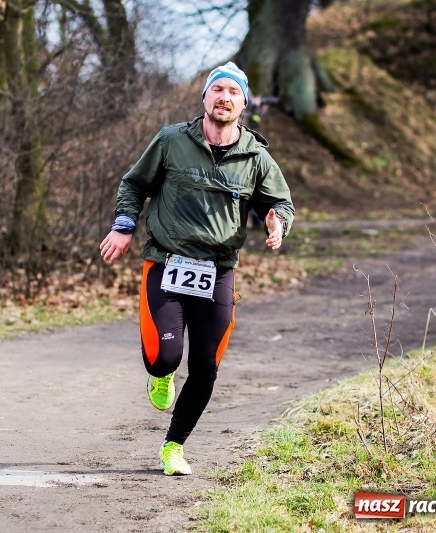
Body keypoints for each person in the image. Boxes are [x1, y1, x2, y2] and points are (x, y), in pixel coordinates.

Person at [99, 61, 295, 476]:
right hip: (166, 263)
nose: (225, 97)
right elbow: (135, 183)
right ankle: (160, 375)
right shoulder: (172, 140)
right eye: (218, 89)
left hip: (217, 271)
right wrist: (124, 225)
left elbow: (280, 203)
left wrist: (277, 220)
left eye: (234, 92)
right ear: (205, 97)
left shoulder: (256, 157)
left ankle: (173, 447)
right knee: (163, 357)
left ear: (244, 103)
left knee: (206, 367)